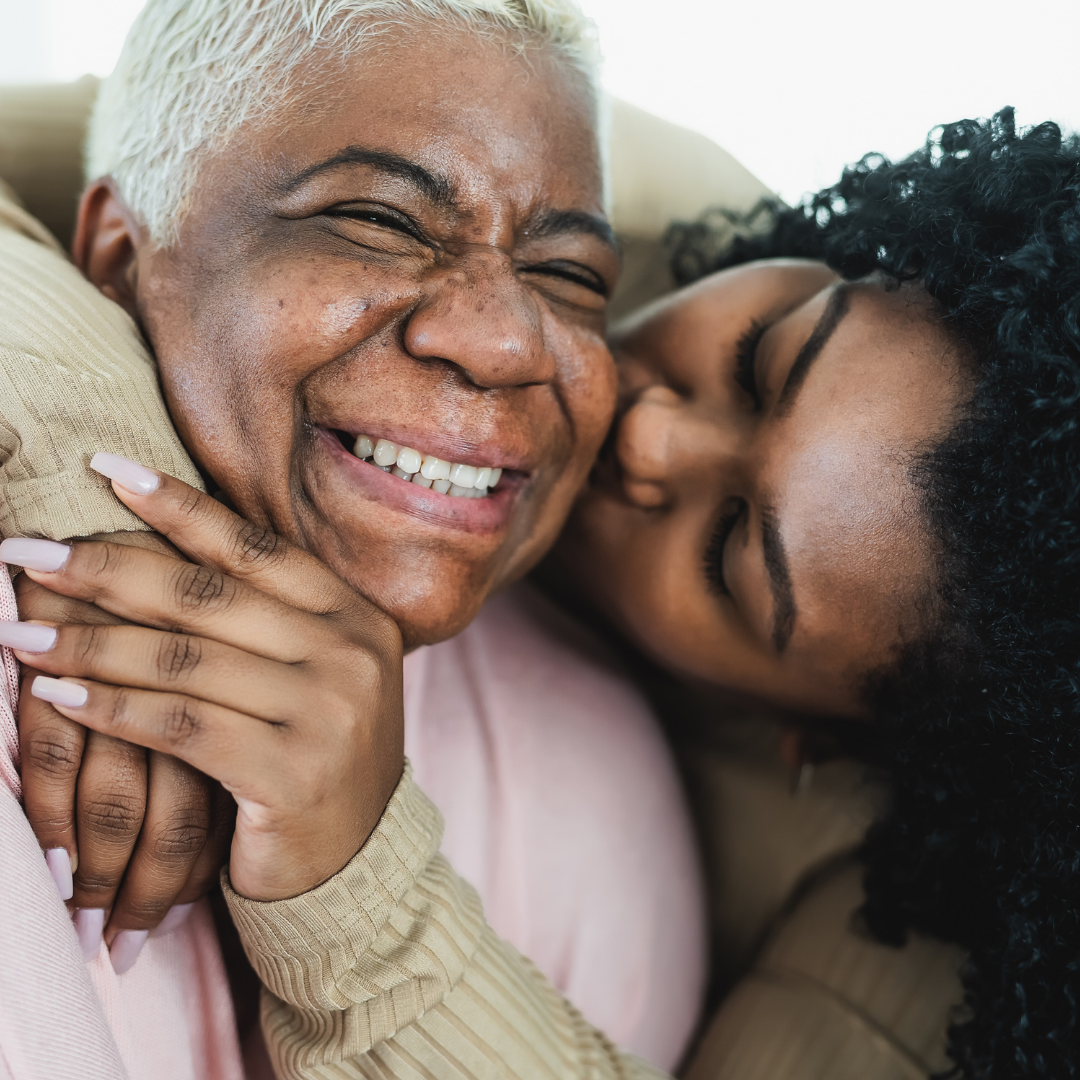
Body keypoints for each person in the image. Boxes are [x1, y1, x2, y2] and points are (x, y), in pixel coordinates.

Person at [11, 107, 1072, 1080]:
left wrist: (357, 886)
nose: (654, 432)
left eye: (730, 554)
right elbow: (148, 148)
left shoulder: (883, 944)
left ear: (807, 735)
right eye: (761, 360)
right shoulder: (584, 170)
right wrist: (94, 477)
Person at [0, 0, 708, 1074]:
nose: (508, 339)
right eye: (379, 219)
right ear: (116, 253)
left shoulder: (600, 783)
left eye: (570, 278)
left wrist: (360, 902)